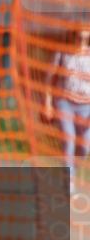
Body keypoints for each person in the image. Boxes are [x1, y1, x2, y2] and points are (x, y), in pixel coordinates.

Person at [43, 27, 90, 193]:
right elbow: (48, 80)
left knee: (84, 147)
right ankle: (68, 180)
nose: (81, 38)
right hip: (64, 103)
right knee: (69, 141)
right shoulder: (62, 52)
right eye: (78, 35)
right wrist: (47, 104)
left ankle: (72, 173)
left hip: (86, 107)